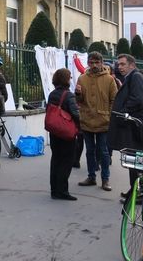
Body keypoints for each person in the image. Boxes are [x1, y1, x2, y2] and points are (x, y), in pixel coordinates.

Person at [108, 54, 143, 200]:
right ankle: (134, 190)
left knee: (135, 160)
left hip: (134, 124)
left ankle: (138, 192)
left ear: (131, 65)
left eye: (122, 64)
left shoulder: (136, 76)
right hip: (132, 123)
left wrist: (123, 111)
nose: (119, 67)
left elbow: (137, 98)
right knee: (133, 159)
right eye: (118, 65)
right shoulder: (132, 77)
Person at [75, 52, 117, 192]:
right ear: (88, 63)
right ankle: (91, 177)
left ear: (101, 62)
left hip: (103, 121)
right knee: (89, 151)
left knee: (103, 152)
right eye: (91, 62)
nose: (93, 65)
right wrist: (78, 94)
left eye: (96, 62)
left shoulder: (109, 79)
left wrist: (109, 116)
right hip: (86, 120)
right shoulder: (82, 78)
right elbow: (79, 101)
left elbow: (114, 101)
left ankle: (105, 179)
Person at [47, 68, 80, 201]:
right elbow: (75, 113)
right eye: (70, 77)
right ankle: (63, 191)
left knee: (56, 159)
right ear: (66, 79)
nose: (71, 79)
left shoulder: (52, 94)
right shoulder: (69, 95)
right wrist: (80, 126)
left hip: (54, 131)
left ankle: (54, 190)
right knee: (66, 161)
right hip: (66, 133)